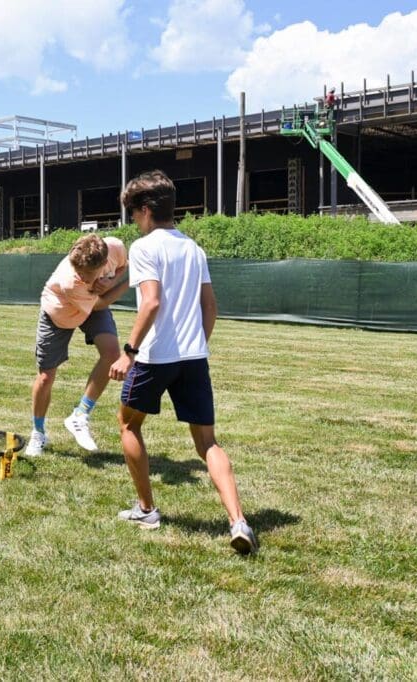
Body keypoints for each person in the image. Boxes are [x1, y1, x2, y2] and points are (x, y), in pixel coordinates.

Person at [109, 170, 257, 554]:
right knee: (207, 442)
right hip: (194, 357)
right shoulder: (193, 248)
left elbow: (152, 302)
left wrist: (129, 352)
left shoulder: (144, 248)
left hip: (156, 356)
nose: (133, 222)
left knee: (127, 423)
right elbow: (211, 307)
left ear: (144, 211)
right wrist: (196, 346)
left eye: (133, 215)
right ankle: (238, 521)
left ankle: (147, 510)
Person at [27, 232, 129, 456]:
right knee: (46, 377)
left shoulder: (115, 247)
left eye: (86, 274)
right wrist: (130, 282)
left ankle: (80, 415)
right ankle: (38, 433)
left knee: (112, 354)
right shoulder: (71, 280)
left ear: (103, 263)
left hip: (92, 305)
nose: (81, 276)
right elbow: (100, 304)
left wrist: (111, 280)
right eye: (79, 272)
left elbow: (122, 266)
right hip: (59, 313)